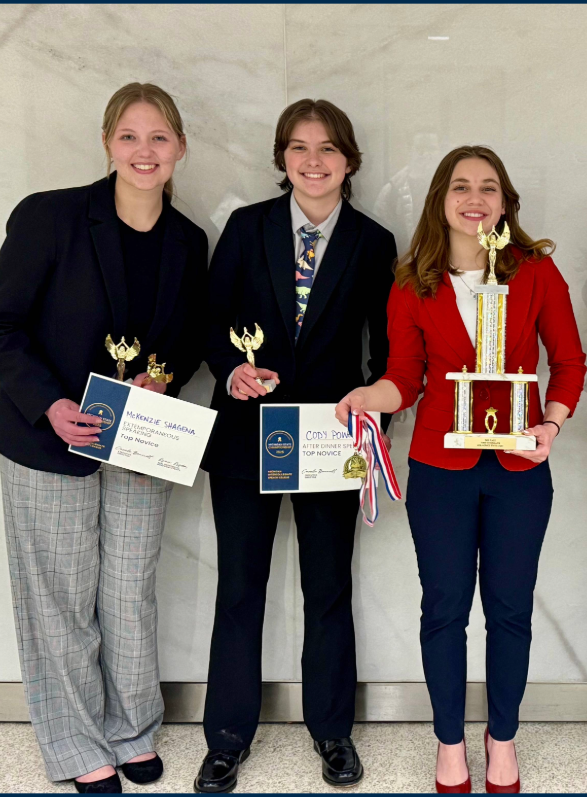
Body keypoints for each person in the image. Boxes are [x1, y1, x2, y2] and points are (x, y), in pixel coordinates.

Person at [0, 82, 207, 793]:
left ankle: (133, 727)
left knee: (129, 591)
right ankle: (78, 742)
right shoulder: (51, 218)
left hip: (140, 443)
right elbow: (0, 325)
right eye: (131, 136)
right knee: (61, 596)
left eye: (159, 138)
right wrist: (49, 403)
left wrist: (163, 381)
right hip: (50, 440)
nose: (145, 151)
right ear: (108, 143)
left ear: (180, 149)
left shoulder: (189, 240)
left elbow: (190, 337)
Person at [334, 145, 587, 794]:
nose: (474, 197)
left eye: (489, 187)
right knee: (444, 609)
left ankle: (501, 740)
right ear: (440, 200)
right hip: (441, 470)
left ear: (506, 203)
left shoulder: (535, 272)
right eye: (460, 186)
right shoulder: (412, 281)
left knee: (509, 611)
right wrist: (369, 397)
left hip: (518, 469)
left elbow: (570, 362)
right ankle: (450, 743)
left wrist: (550, 423)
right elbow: (403, 379)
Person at [193, 99, 397, 793]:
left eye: (328, 148)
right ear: (282, 158)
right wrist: (231, 367)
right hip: (249, 434)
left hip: (328, 440)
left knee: (328, 586)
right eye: (300, 147)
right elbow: (211, 320)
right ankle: (225, 737)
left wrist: (372, 427)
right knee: (240, 586)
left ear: (350, 159)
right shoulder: (247, 228)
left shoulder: (374, 242)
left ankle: (333, 731)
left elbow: (388, 349)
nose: (314, 161)